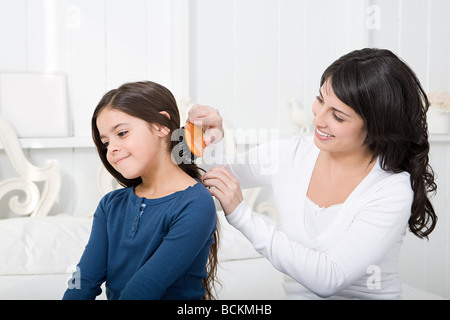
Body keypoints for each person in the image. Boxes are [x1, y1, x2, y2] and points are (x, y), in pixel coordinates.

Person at [191, 48, 437, 299]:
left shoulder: (391, 189)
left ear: (376, 129)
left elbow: (329, 277)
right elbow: (202, 176)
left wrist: (241, 214)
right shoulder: (291, 153)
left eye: (337, 116)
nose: (318, 119)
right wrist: (203, 137)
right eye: (320, 100)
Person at [63, 81, 218, 300]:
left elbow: (143, 290)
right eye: (105, 142)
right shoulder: (110, 205)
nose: (112, 148)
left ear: (161, 125)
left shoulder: (195, 203)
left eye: (122, 133)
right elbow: (83, 280)